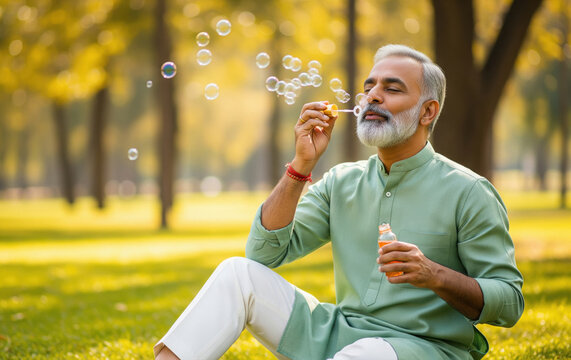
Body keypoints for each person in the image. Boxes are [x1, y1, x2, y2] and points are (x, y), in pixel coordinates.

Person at [153, 44, 524, 360]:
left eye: (391, 89)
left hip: (423, 348)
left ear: (428, 111)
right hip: (339, 335)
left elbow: (508, 302)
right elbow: (263, 255)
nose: (373, 96)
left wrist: (434, 274)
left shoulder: (468, 191)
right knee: (237, 273)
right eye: (369, 88)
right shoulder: (341, 181)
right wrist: (301, 166)